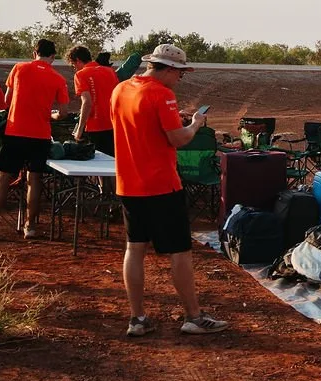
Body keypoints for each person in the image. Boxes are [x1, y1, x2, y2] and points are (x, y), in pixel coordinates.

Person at [112, 43, 225, 337]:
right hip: (161, 184)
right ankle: (193, 316)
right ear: (169, 69)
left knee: (134, 248)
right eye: (180, 74)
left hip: (128, 182)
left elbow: (136, 127)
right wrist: (195, 124)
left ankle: (137, 318)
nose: (180, 79)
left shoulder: (121, 89)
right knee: (180, 252)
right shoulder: (162, 94)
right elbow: (177, 139)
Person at [0, 39, 69, 240]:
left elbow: (6, 100)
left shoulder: (19, 68)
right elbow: (64, 113)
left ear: (34, 53)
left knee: (3, 178)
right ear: (53, 57)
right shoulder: (58, 78)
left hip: (15, 131)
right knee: (35, 179)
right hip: (40, 134)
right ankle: (30, 226)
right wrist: (52, 115)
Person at [68, 46, 119, 155]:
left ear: (77, 60)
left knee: (95, 167)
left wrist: (80, 129)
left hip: (95, 126)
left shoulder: (81, 74)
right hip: (114, 124)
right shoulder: (110, 71)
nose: (75, 68)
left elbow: (87, 102)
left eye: (73, 65)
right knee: (111, 164)